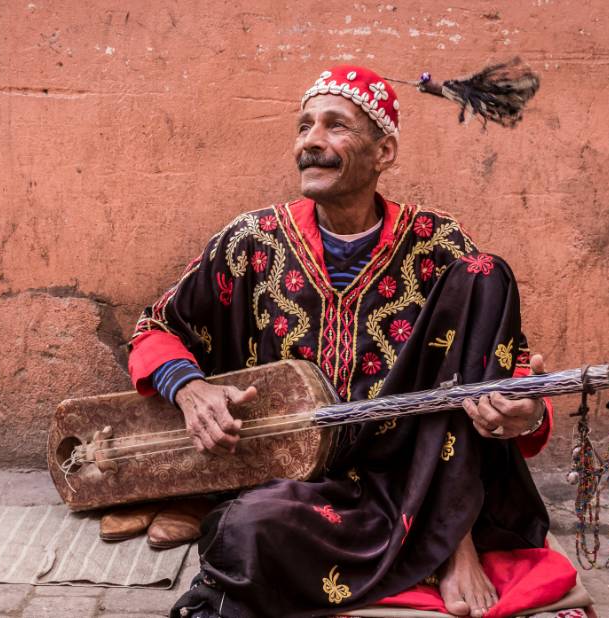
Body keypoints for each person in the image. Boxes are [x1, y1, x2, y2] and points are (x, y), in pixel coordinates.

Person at [119, 66, 556, 618]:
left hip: (422, 476)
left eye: (335, 126)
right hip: (303, 482)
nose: (311, 142)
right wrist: (189, 390)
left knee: (486, 272)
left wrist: (527, 413)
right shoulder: (252, 241)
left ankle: (452, 540)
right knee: (243, 530)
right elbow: (155, 328)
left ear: (384, 151)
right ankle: (414, 546)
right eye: (304, 127)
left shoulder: (440, 247)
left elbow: (509, 372)